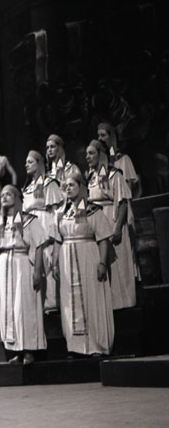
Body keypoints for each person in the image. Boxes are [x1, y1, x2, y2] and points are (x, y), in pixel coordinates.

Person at [51, 169, 114, 357]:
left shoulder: (93, 211)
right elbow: (57, 240)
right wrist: (54, 263)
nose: (68, 188)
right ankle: (75, 346)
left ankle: (95, 345)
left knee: (90, 298)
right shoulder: (61, 213)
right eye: (65, 186)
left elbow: (103, 238)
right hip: (67, 260)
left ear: (81, 187)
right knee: (70, 301)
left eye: (72, 185)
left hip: (88, 256)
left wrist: (102, 263)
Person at [0, 185, 48, 365]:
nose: (4, 197)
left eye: (8, 194)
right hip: (4, 267)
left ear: (17, 197)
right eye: (2, 195)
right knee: (9, 309)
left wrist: (37, 271)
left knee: (24, 307)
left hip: (22, 264)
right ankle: (15, 350)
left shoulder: (29, 221)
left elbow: (38, 246)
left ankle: (29, 350)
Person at [86, 139, 138, 309]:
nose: (87, 157)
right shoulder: (90, 178)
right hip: (97, 224)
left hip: (112, 219)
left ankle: (124, 304)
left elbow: (122, 202)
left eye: (91, 153)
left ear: (101, 154)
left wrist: (117, 228)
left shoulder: (115, 175)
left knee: (118, 264)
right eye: (86, 154)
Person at [22, 150, 63, 313]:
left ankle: (52, 303)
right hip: (30, 225)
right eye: (26, 162)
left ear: (39, 163)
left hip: (44, 223)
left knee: (48, 259)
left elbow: (56, 211)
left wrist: (54, 231)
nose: (26, 165)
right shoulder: (27, 188)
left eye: (30, 162)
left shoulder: (49, 184)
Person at [97, 122, 141, 198]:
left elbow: (128, 188)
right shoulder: (99, 161)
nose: (99, 139)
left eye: (103, 135)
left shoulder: (123, 159)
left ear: (111, 138)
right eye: (98, 135)